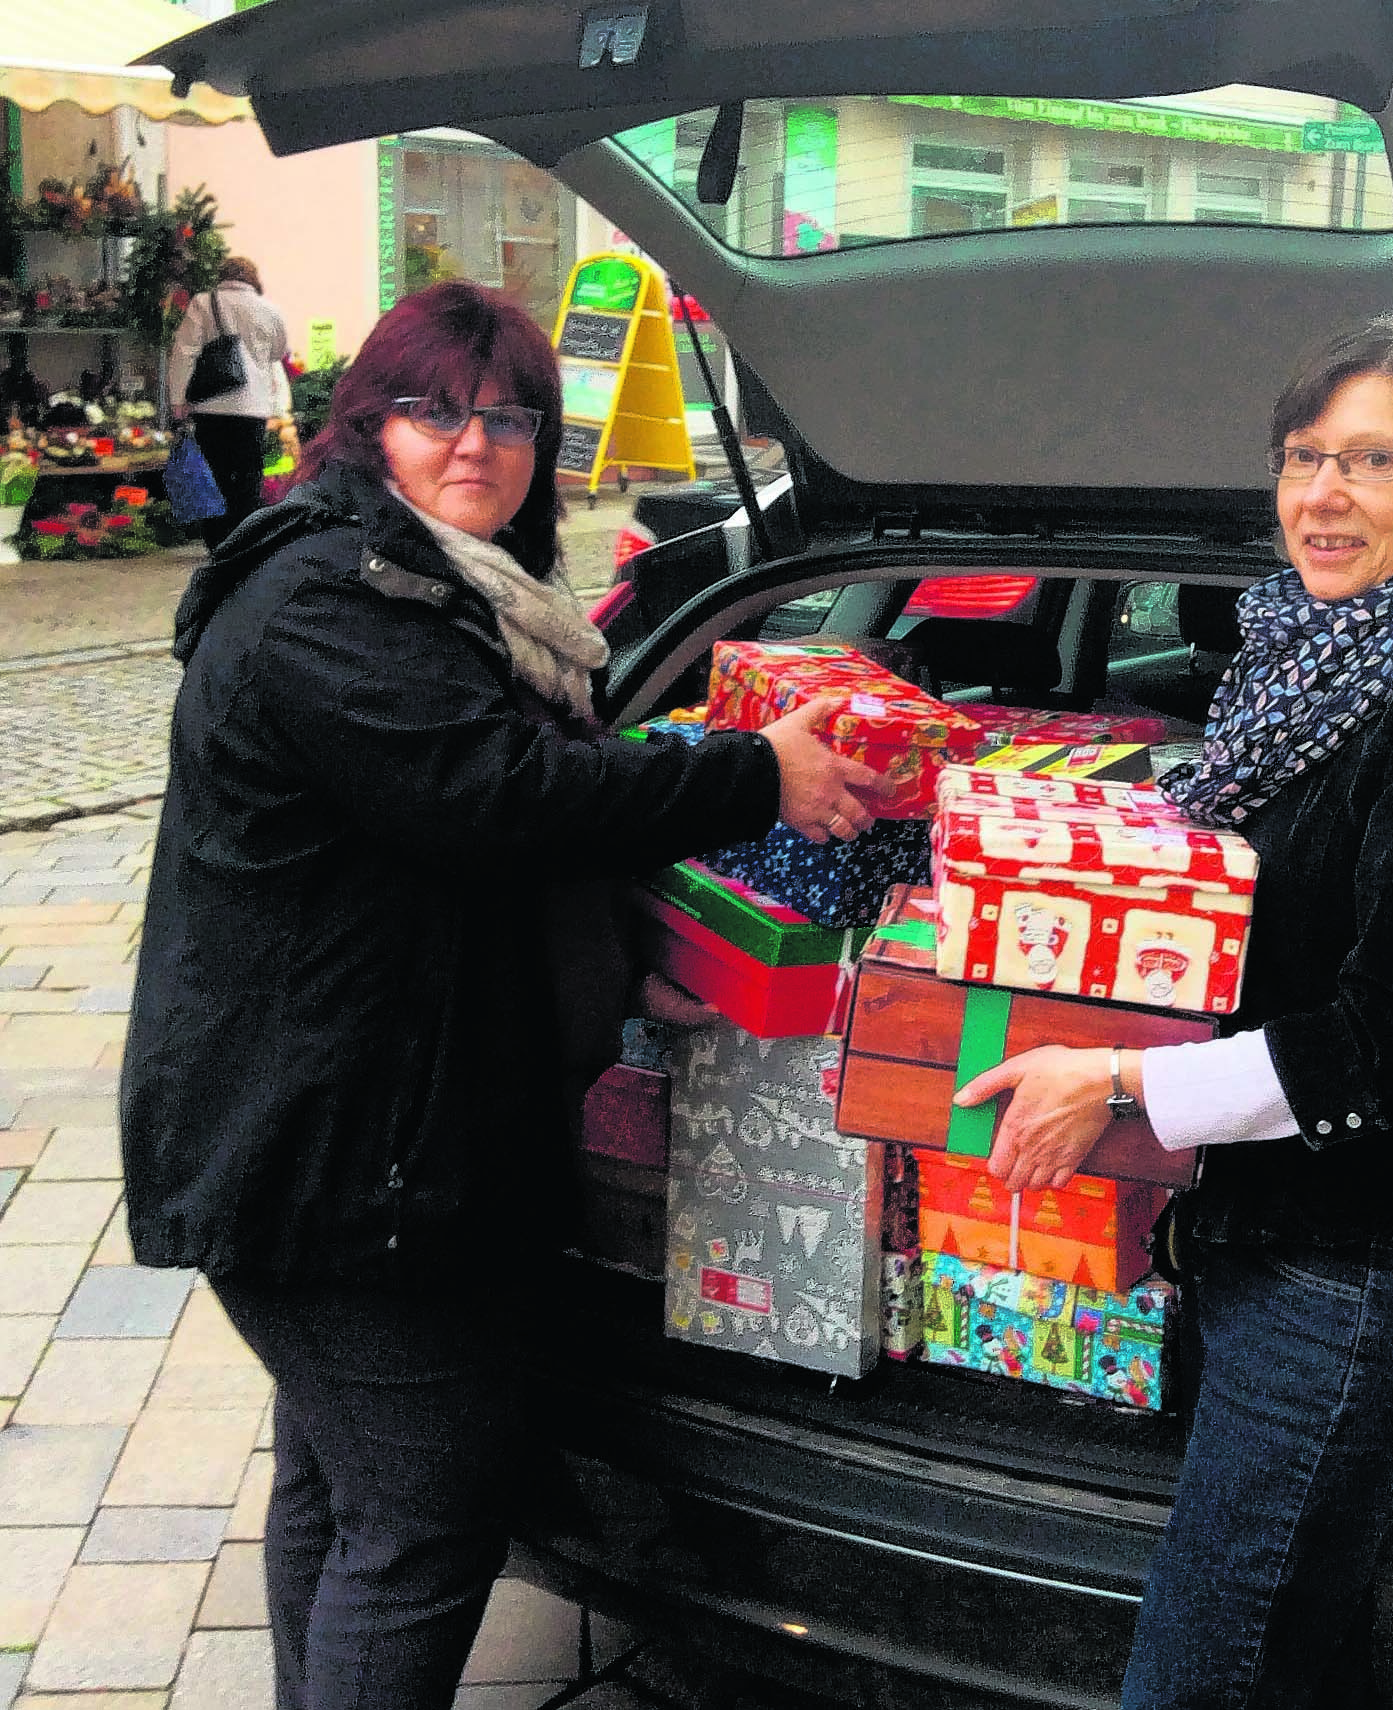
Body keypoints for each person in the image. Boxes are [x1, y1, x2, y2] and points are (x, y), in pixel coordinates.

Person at [120, 278, 884, 1710]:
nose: (475, 444)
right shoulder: (327, 602)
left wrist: (639, 952)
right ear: (367, 426)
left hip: (360, 1120)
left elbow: (475, 857)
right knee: (423, 1511)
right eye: (435, 411)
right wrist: (752, 769)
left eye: (509, 416)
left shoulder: (446, 592)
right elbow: (494, 793)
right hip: (329, 1155)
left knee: (339, 1482)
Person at [953, 305, 1393, 1708]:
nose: (1322, 496)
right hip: (1262, 1233)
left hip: (1363, 1265)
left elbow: (1381, 1043)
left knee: (1203, 1672)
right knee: (1289, 1650)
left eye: (1374, 462)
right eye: (1302, 455)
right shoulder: (1300, 663)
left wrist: (1124, 1086)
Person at [167, 255, 290, 550]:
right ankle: (244, 542)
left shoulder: (202, 304)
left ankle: (217, 542)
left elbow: (185, 352)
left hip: (211, 406)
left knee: (214, 475)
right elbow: (279, 352)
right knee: (248, 476)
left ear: (221, 277)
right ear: (253, 279)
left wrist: (177, 398)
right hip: (253, 409)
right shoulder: (269, 309)